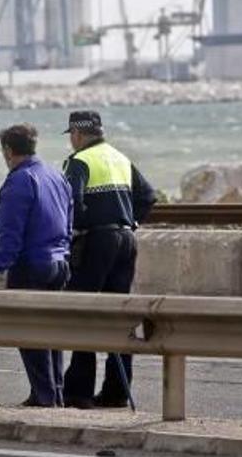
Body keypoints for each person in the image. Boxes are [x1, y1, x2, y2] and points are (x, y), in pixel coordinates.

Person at [60, 110, 157, 410]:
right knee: (120, 314)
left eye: (72, 136)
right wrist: (132, 222)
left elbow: (70, 202)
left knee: (82, 312)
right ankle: (116, 390)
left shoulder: (79, 162)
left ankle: (78, 391)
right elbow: (149, 196)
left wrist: (71, 233)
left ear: (76, 135)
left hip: (95, 242)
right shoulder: (119, 157)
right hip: (126, 240)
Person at [0, 123, 73, 408]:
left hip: (31, 265)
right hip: (59, 263)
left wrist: (0, 267)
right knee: (53, 332)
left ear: (8, 151)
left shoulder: (20, 180)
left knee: (29, 331)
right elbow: (69, 219)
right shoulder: (55, 175)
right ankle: (54, 393)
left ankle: (44, 397)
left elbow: (11, 229)